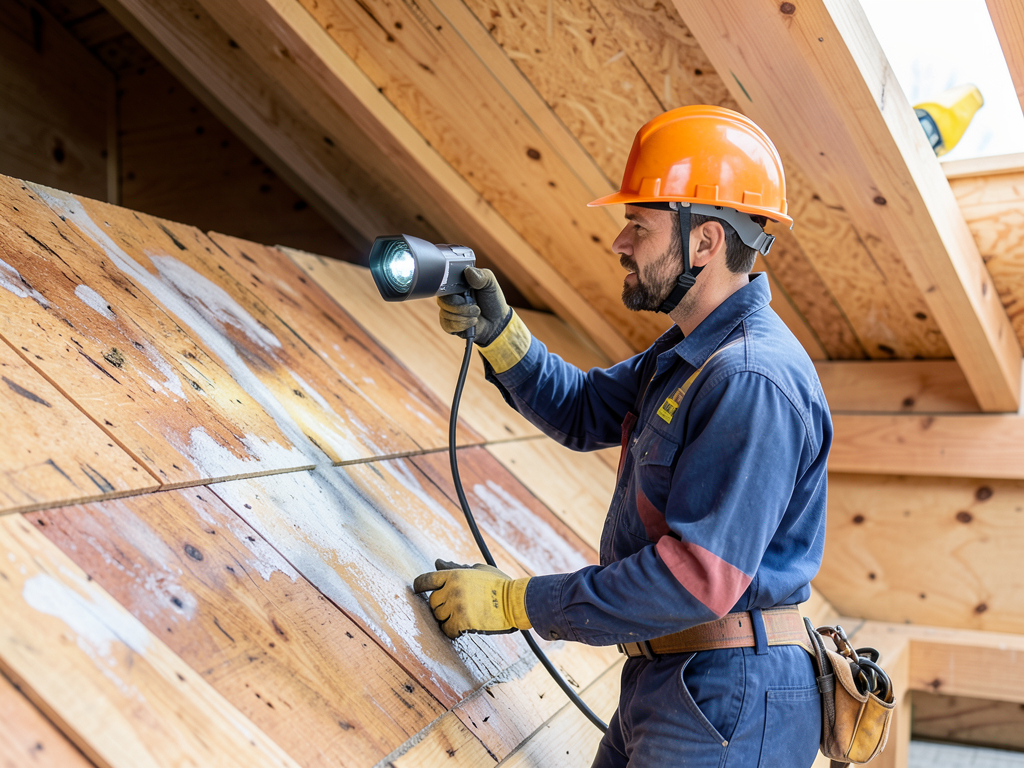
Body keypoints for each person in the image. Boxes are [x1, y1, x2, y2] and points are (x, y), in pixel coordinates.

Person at [413, 105, 831, 767]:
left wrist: (515, 602)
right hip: (677, 681)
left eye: (639, 224)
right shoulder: (693, 354)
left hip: (728, 698)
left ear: (704, 241)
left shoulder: (750, 380)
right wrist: (498, 334)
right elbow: (584, 409)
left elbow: (693, 580)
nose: (620, 241)